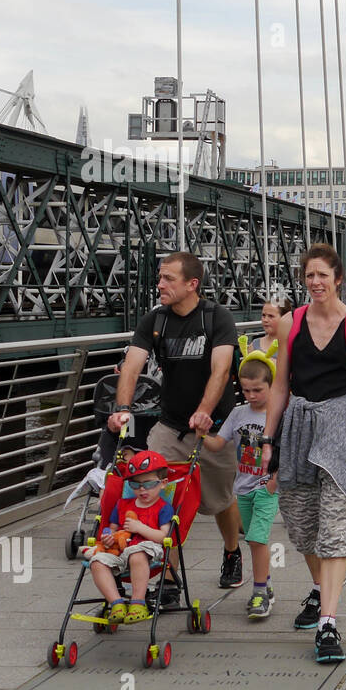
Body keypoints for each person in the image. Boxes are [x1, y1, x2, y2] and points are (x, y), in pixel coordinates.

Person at [261, 244, 346, 663]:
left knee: (334, 529)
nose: (316, 283)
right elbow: (280, 384)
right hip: (299, 426)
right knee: (302, 528)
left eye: (323, 275)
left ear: (339, 279)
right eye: (309, 276)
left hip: (341, 424)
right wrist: (268, 441)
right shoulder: (291, 323)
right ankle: (320, 589)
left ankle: (328, 624)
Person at [109, 252, 243, 589]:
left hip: (213, 426)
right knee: (156, 494)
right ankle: (167, 575)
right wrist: (122, 406)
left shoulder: (217, 318)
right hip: (169, 426)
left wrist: (205, 411)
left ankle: (231, 551)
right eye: (160, 278)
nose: (160, 284)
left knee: (220, 500)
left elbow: (222, 369)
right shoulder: (155, 320)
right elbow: (132, 365)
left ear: (191, 284)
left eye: (168, 279)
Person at [203, 344, 279, 619]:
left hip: (266, 488)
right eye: (245, 390)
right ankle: (267, 583)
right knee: (252, 540)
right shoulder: (237, 414)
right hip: (242, 488)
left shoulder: (277, 414)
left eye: (257, 390)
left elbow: (287, 450)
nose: (251, 396)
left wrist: (274, 481)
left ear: (272, 386)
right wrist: (202, 434)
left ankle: (259, 592)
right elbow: (218, 444)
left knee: (258, 538)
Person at [82, 451, 175, 625]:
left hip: (147, 549)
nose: (142, 489)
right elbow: (112, 529)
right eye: (135, 484)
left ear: (163, 484)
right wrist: (107, 538)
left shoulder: (163, 508)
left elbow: (163, 536)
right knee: (96, 562)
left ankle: (138, 602)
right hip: (120, 551)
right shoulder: (122, 505)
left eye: (148, 484)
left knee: (136, 554)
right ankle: (116, 603)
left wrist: (140, 527)